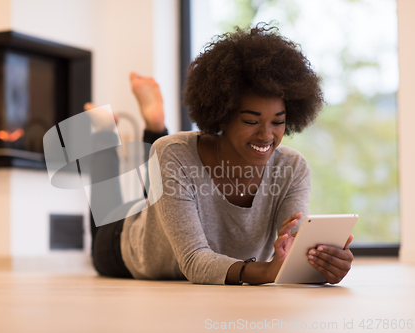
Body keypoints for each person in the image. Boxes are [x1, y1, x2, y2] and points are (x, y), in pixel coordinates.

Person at [88, 23, 354, 285]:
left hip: (171, 189)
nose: (266, 135)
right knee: (111, 208)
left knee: (157, 184)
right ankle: (102, 132)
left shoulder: (292, 168)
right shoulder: (174, 153)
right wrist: (265, 272)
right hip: (124, 248)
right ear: (223, 116)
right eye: (251, 121)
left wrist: (320, 263)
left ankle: (154, 124)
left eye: (277, 122)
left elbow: (292, 253)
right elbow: (194, 261)